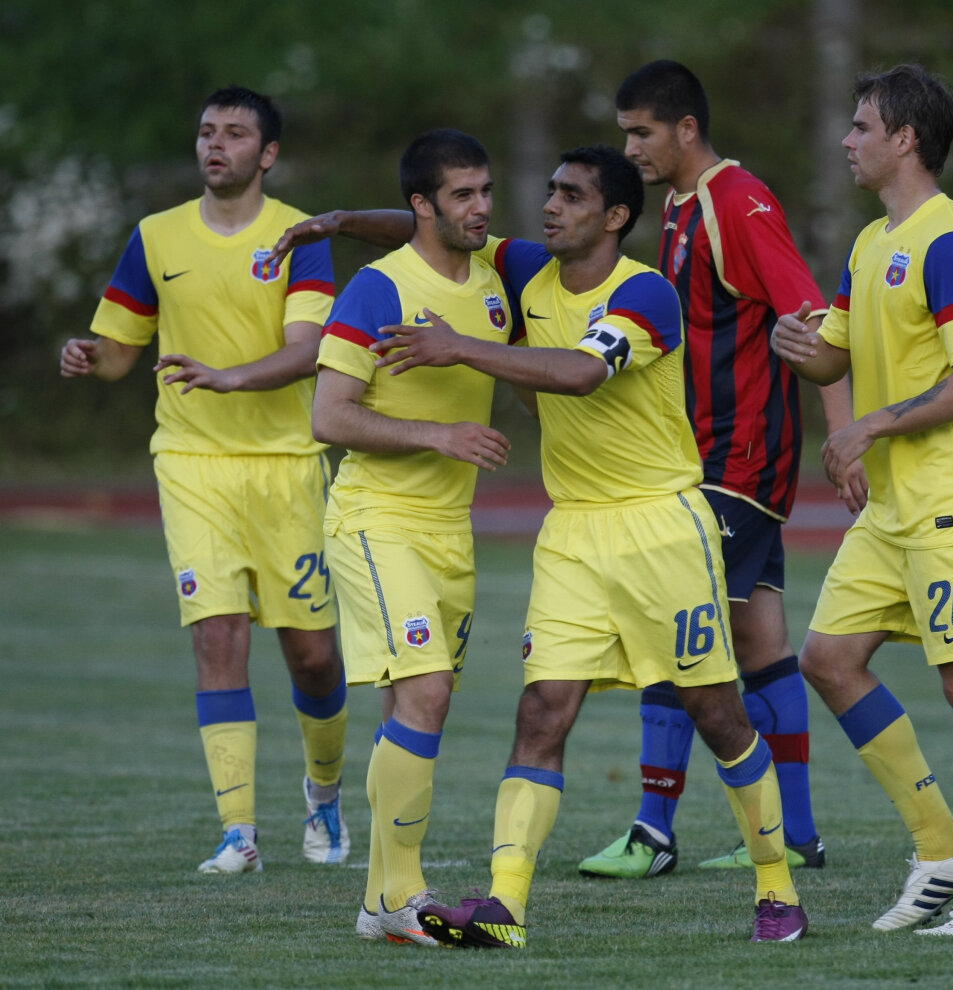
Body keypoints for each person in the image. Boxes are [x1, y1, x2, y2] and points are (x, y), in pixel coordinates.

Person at [381, 145, 808, 947]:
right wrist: (339, 223)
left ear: (615, 216)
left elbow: (580, 373)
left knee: (717, 712)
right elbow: (437, 224)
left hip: (661, 529)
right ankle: (506, 909)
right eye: (548, 191)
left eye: (572, 196)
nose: (549, 206)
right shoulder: (526, 266)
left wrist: (461, 347)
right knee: (542, 710)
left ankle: (778, 890)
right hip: (572, 530)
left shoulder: (645, 292)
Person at [770, 64, 953, 936]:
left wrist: (869, 427)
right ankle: (941, 848)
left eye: (861, 127)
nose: (847, 140)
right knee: (827, 659)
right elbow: (835, 356)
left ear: (905, 140)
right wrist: (795, 345)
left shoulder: (949, 241)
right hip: (892, 506)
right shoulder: (868, 243)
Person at [577, 58, 866, 880]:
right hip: (708, 460)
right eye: (627, 131)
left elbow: (814, 323)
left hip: (735, 464)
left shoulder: (737, 202)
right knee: (758, 642)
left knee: (676, 635)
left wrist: (840, 437)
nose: (630, 146)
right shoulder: (678, 207)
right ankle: (797, 833)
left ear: (687, 129)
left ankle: (653, 830)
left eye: (642, 132)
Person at [60, 85, 350, 875]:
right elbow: (121, 347)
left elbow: (309, 348)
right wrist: (93, 357)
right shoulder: (155, 236)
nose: (214, 144)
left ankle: (323, 797)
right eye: (205, 131)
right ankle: (238, 833)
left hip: (287, 465)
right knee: (217, 635)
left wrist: (228, 378)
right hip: (190, 463)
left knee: (314, 658)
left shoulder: (299, 237)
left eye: (233, 133)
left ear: (269, 153)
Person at [309, 129, 515, 945]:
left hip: (448, 532)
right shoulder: (378, 288)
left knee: (418, 703)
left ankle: (379, 906)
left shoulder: (497, 288)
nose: (481, 208)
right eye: (463, 194)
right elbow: (330, 415)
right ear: (422, 205)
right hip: (375, 519)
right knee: (425, 690)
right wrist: (438, 436)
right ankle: (404, 897)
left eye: (486, 192)